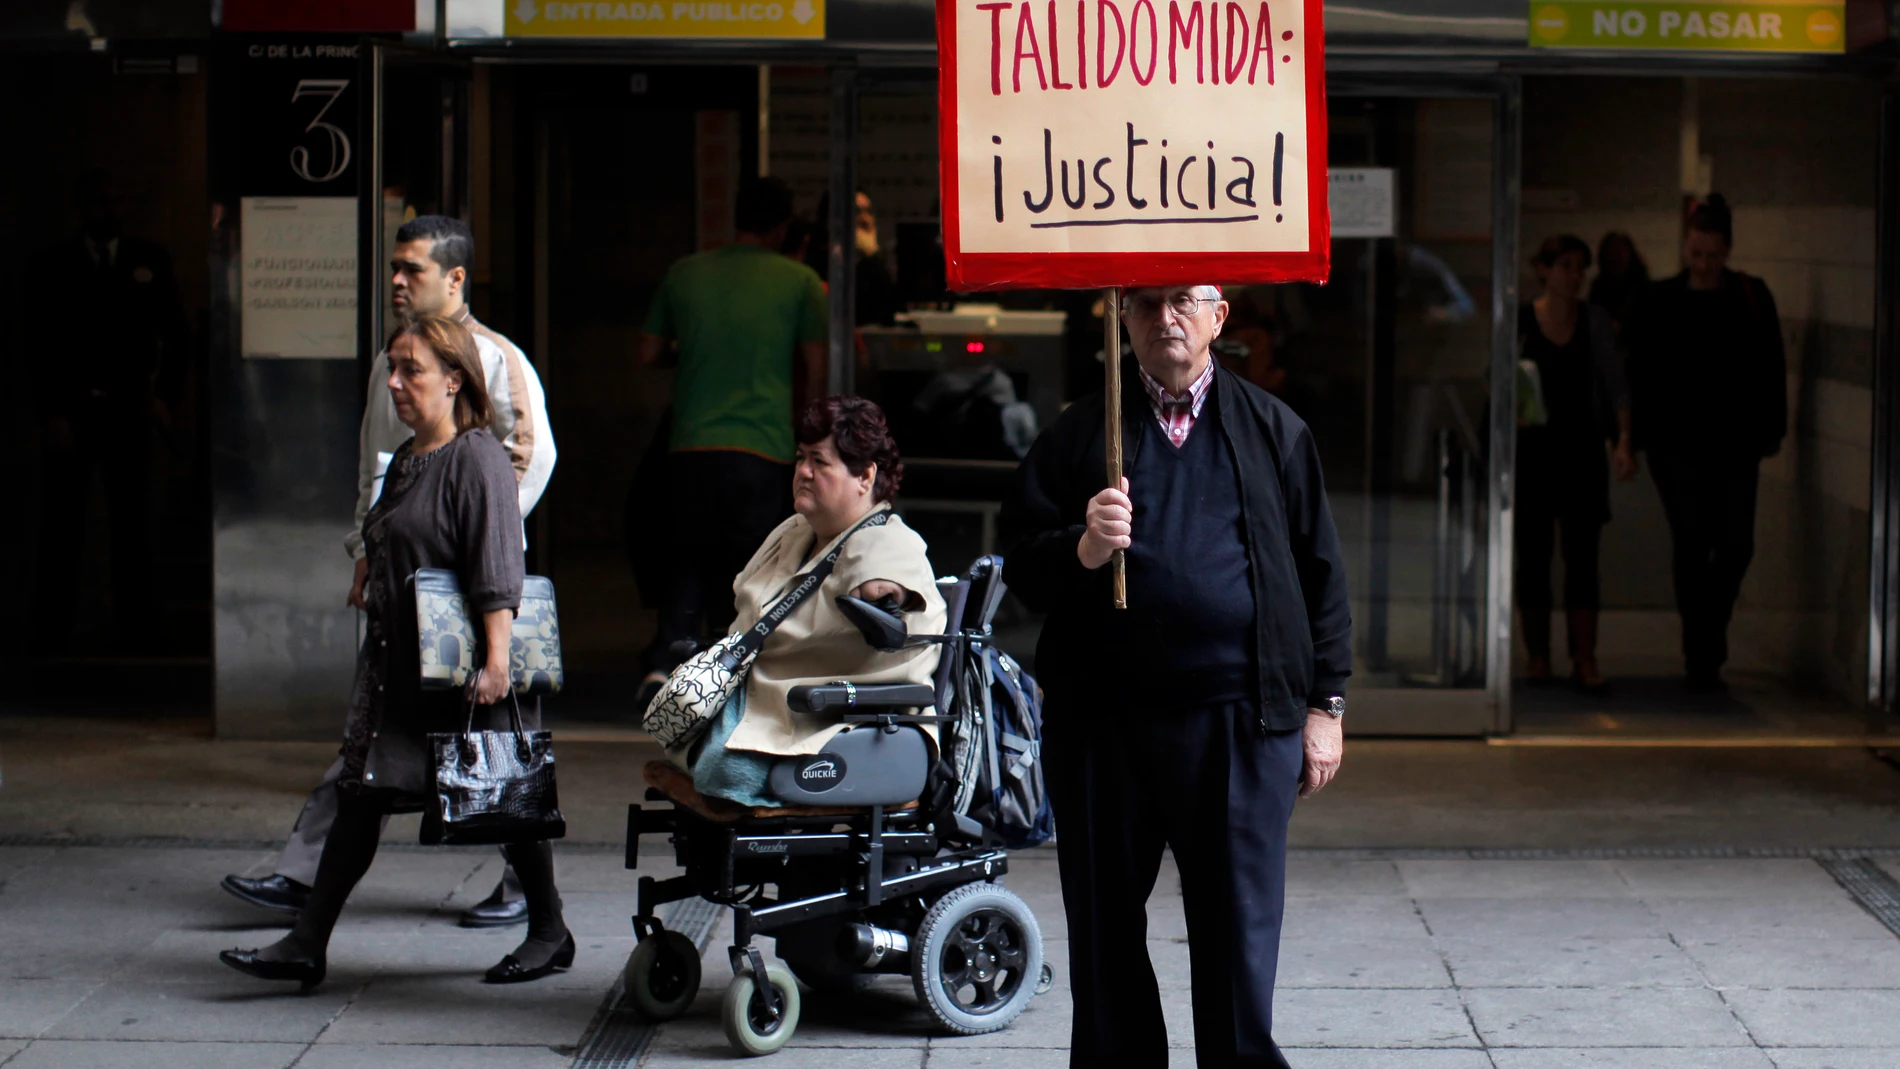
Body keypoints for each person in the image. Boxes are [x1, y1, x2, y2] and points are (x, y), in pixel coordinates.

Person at [1008, 284, 1352, 1068]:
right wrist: (1085, 548)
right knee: (1104, 931)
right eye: (1145, 303)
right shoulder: (1078, 434)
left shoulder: (1274, 429)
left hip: (1237, 720)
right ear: (1119, 318)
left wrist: (1324, 703)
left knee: (1236, 929)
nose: (1165, 318)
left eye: (1183, 302)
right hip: (1106, 725)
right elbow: (1022, 564)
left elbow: (1321, 575)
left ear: (1218, 317)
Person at [222, 215, 555, 927]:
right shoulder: (392, 358)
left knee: (485, 744)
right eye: (395, 268)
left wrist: (464, 537)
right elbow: (380, 461)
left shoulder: (496, 358)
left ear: (455, 279)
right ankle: (307, 885)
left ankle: (532, 896)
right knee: (380, 744)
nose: (398, 281)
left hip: (465, 588)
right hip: (402, 578)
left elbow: (525, 458)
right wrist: (368, 549)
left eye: (413, 269)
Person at [679, 396, 946, 805]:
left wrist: (883, 592)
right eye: (801, 458)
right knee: (687, 740)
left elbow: (886, 578)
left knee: (721, 769)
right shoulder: (794, 532)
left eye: (820, 462)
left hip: (821, 720)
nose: (802, 471)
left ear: (865, 476)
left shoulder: (886, 539)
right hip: (760, 703)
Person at [636, 177, 828, 695]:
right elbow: (817, 365)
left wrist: (694, 353)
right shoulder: (801, 281)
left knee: (685, 556)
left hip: (691, 444)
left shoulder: (686, 273)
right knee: (749, 563)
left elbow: (648, 353)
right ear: (784, 226)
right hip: (762, 447)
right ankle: (730, 669)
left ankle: (667, 659)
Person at [1626, 195, 1787, 691]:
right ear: (1686, 247)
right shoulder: (1662, 300)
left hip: (1734, 441)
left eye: (1712, 255)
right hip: (1676, 444)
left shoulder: (1750, 297)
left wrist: (1772, 429)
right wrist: (1631, 436)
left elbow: (1771, 366)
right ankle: (1702, 651)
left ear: (1728, 250)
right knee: (1693, 540)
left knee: (1736, 545)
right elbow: (1640, 370)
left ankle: (1707, 632)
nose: (1703, 264)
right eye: (1696, 254)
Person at [28, 171, 189, 655]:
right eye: (99, 202)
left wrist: (165, 397)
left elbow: (176, 335)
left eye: (116, 201)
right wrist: (50, 411)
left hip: (129, 407)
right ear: (82, 209)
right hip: (72, 407)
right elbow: (35, 344)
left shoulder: (148, 261)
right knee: (62, 523)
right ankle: (50, 632)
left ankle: (139, 630)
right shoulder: (54, 263)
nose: (108, 211)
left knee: (132, 523)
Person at [1517, 235, 1634, 692]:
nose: (1574, 275)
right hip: (1535, 453)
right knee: (1534, 556)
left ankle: (1584, 656)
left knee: (1582, 557)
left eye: (1579, 267)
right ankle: (1538, 656)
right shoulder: (1525, 321)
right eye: (1565, 266)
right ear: (1544, 270)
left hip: (1582, 451)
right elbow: (1500, 379)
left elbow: (1615, 382)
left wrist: (1623, 439)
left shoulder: (1594, 322)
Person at [1590, 231, 1651, 330]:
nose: (1616, 257)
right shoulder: (1598, 288)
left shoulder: (1642, 287)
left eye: (1620, 251)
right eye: (1612, 252)